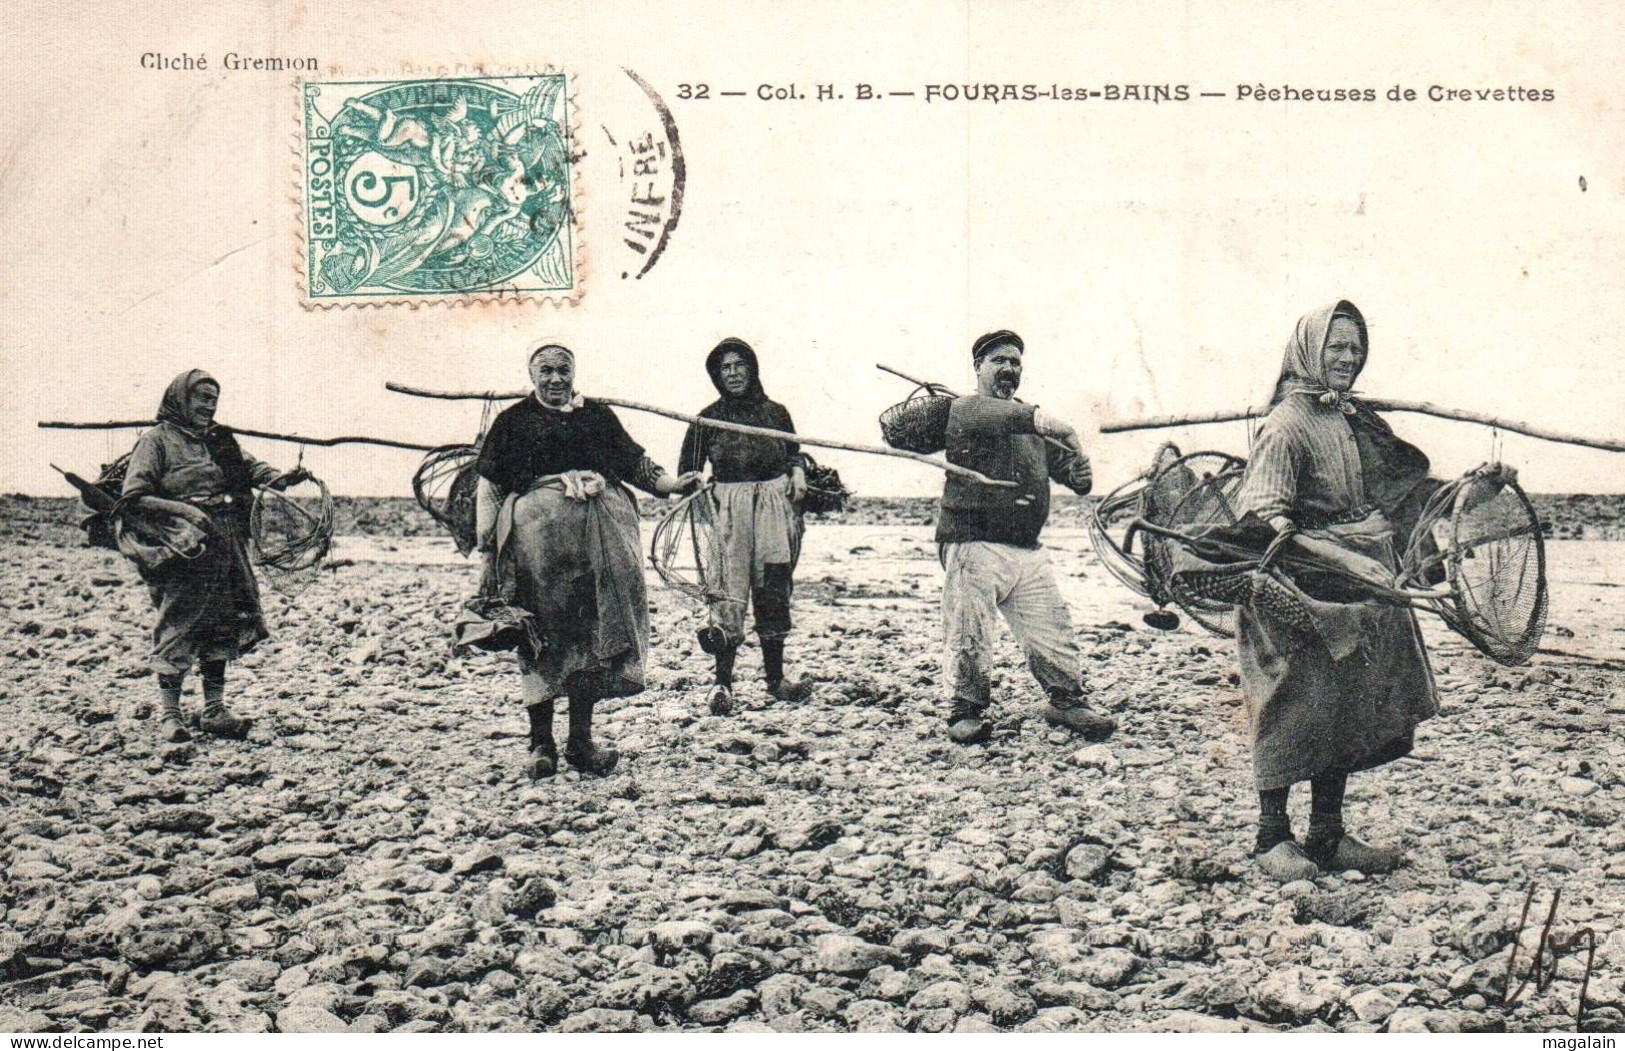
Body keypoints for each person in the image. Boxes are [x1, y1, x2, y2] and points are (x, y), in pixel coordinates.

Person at [1233, 300, 1510, 880]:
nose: (1348, 358)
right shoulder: (1285, 425)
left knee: (1344, 704)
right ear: (1308, 350)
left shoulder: (1354, 419)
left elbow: (1404, 493)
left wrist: (1474, 490)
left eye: (1356, 348)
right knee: (1290, 702)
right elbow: (1263, 518)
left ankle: (1327, 835)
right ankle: (1271, 838)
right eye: (1336, 347)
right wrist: (1343, 556)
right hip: (1296, 586)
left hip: (1356, 585)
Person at [474, 341, 699, 779]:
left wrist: (672, 485)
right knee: (538, 635)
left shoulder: (596, 416)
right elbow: (491, 488)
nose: (555, 378)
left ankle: (580, 742)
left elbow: (635, 464)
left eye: (563, 370)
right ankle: (541, 743)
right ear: (532, 376)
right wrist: (487, 555)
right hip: (537, 556)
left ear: (574, 374)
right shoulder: (513, 422)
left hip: (598, 551)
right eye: (546, 371)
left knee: (591, 637)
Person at [932, 330, 1117, 745]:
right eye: (999, 360)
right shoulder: (966, 410)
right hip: (973, 543)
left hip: (1026, 549)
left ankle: (1066, 701)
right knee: (969, 630)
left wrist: (1079, 473)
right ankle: (965, 711)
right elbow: (1022, 419)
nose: (1008, 368)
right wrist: (1059, 427)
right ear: (978, 367)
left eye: (1015, 362)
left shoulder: (1029, 423)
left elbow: (1070, 474)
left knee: (1052, 628)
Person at [120, 370, 309, 743]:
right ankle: (170, 714)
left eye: (214, 400)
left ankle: (214, 710)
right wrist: (186, 511)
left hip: (225, 541)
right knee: (180, 621)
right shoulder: (156, 441)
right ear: (180, 399)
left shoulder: (219, 440)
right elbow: (134, 496)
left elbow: (254, 470)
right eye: (202, 398)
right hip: (181, 545)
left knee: (223, 620)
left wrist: (283, 478)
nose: (209, 406)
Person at [677, 338, 811, 716]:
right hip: (730, 509)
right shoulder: (707, 419)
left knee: (773, 586)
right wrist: (695, 486)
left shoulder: (776, 413)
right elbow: (688, 469)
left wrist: (798, 472)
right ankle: (722, 684)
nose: (733, 373)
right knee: (728, 593)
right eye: (726, 368)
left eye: (739, 365)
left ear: (752, 368)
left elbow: (794, 454)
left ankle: (776, 680)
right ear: (716, 375)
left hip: (772, 506)